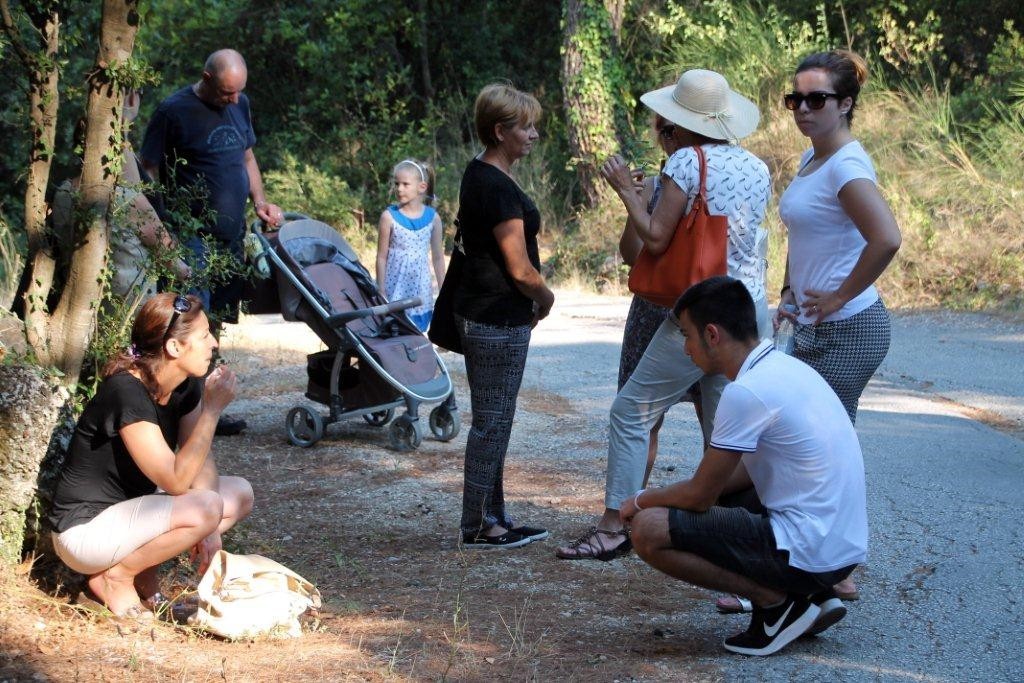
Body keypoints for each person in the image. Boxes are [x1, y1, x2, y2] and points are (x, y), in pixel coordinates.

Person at [556, 69, 771, 560]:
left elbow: (654, 238)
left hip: (702, 307)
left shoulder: (686, 163)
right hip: (748, 307)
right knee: (724, 428)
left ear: (680, 125)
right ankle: (732, 528)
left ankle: (615, 525)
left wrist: (626, 193)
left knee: (631, 411)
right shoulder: (757, 167)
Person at [624, 276, 868, 657]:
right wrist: (683, 493)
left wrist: (640, 500)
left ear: (712, 335)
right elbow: (725, 481)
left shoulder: (745, 392)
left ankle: (777, 604)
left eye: (687, 335)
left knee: (648, 529)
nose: (685, 348)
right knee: (716, 492)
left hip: (812, 552)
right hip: (838, 549)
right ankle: (814, 595)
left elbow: (700, 496)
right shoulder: (783, 367)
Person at [762, 48, 899, 605]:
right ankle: (817, 563)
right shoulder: (812, 158)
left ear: (845, 104)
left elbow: (886, 238)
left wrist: (840, 293)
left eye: (816, 99)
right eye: (794, 98)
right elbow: (804, 236)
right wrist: (789, 290)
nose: (802, 108)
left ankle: (833, 571)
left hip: (850, 329)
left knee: (820, 449)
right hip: (813, 325)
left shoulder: (845, 166)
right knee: (804, 444)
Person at [48, 293, 254, 622]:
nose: (214, 343)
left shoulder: (184, 386)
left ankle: (143, 577)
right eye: (204, 336)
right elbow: (175, 481)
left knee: (238, 493)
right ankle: (114, 578)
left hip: (131, 515)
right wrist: (212, 411)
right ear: (174, 347)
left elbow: (200, 463)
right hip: (86, 531)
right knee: (206, 506)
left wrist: (210, 527)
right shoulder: (126, 392)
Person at [140, 48, 284, 436]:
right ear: (206, 78)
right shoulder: (173, 111)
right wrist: (162, 224)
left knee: (214, 323)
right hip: (191, 237)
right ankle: (171, 414)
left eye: (238, 92)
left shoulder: (241, 104)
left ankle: (204, 410)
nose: (233, 100)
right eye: (226, 92)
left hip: (230, 238)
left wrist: (260, 201)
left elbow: (247, 158)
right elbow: (147, 168)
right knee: (186, 325)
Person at [453, 83, 555, 549]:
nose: (534, 135)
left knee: (495, 420)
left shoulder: (482, 173)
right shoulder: (495, 186)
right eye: (525, 127)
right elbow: (520, 269)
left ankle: (494, 515)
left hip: (486, 314)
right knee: (492, 423)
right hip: (496, 317)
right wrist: (546, 298)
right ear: (499, 131)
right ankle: (478, 524)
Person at [375, 159, 446, 332]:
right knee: (394, 332)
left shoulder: (433, 218)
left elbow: (438, 258)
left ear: (421, 187)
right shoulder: (388, 217)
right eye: (396, 183)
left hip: (420, 290)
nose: (399, 189)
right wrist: (381, 290)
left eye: (405, 184)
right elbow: (381, 257)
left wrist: (444, 290)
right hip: (394, 289)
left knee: (416, 334)